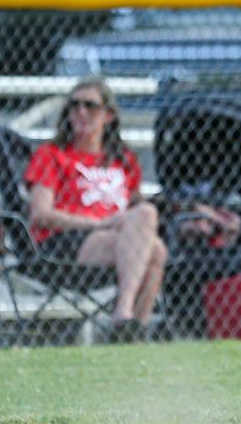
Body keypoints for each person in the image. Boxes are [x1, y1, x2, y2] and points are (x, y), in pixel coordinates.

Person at [24, 78, 167, 336]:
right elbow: (40, 214)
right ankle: (124, 312)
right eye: (74, 105)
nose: (81, 112)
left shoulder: (122, 159)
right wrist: (98, 223)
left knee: (155, 243)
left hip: (119, 241)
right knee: (151, 244)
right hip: (65, 242)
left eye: (90, 106)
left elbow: (138, 211)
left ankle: (130, 331)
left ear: (108, 116)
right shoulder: (52, 154)